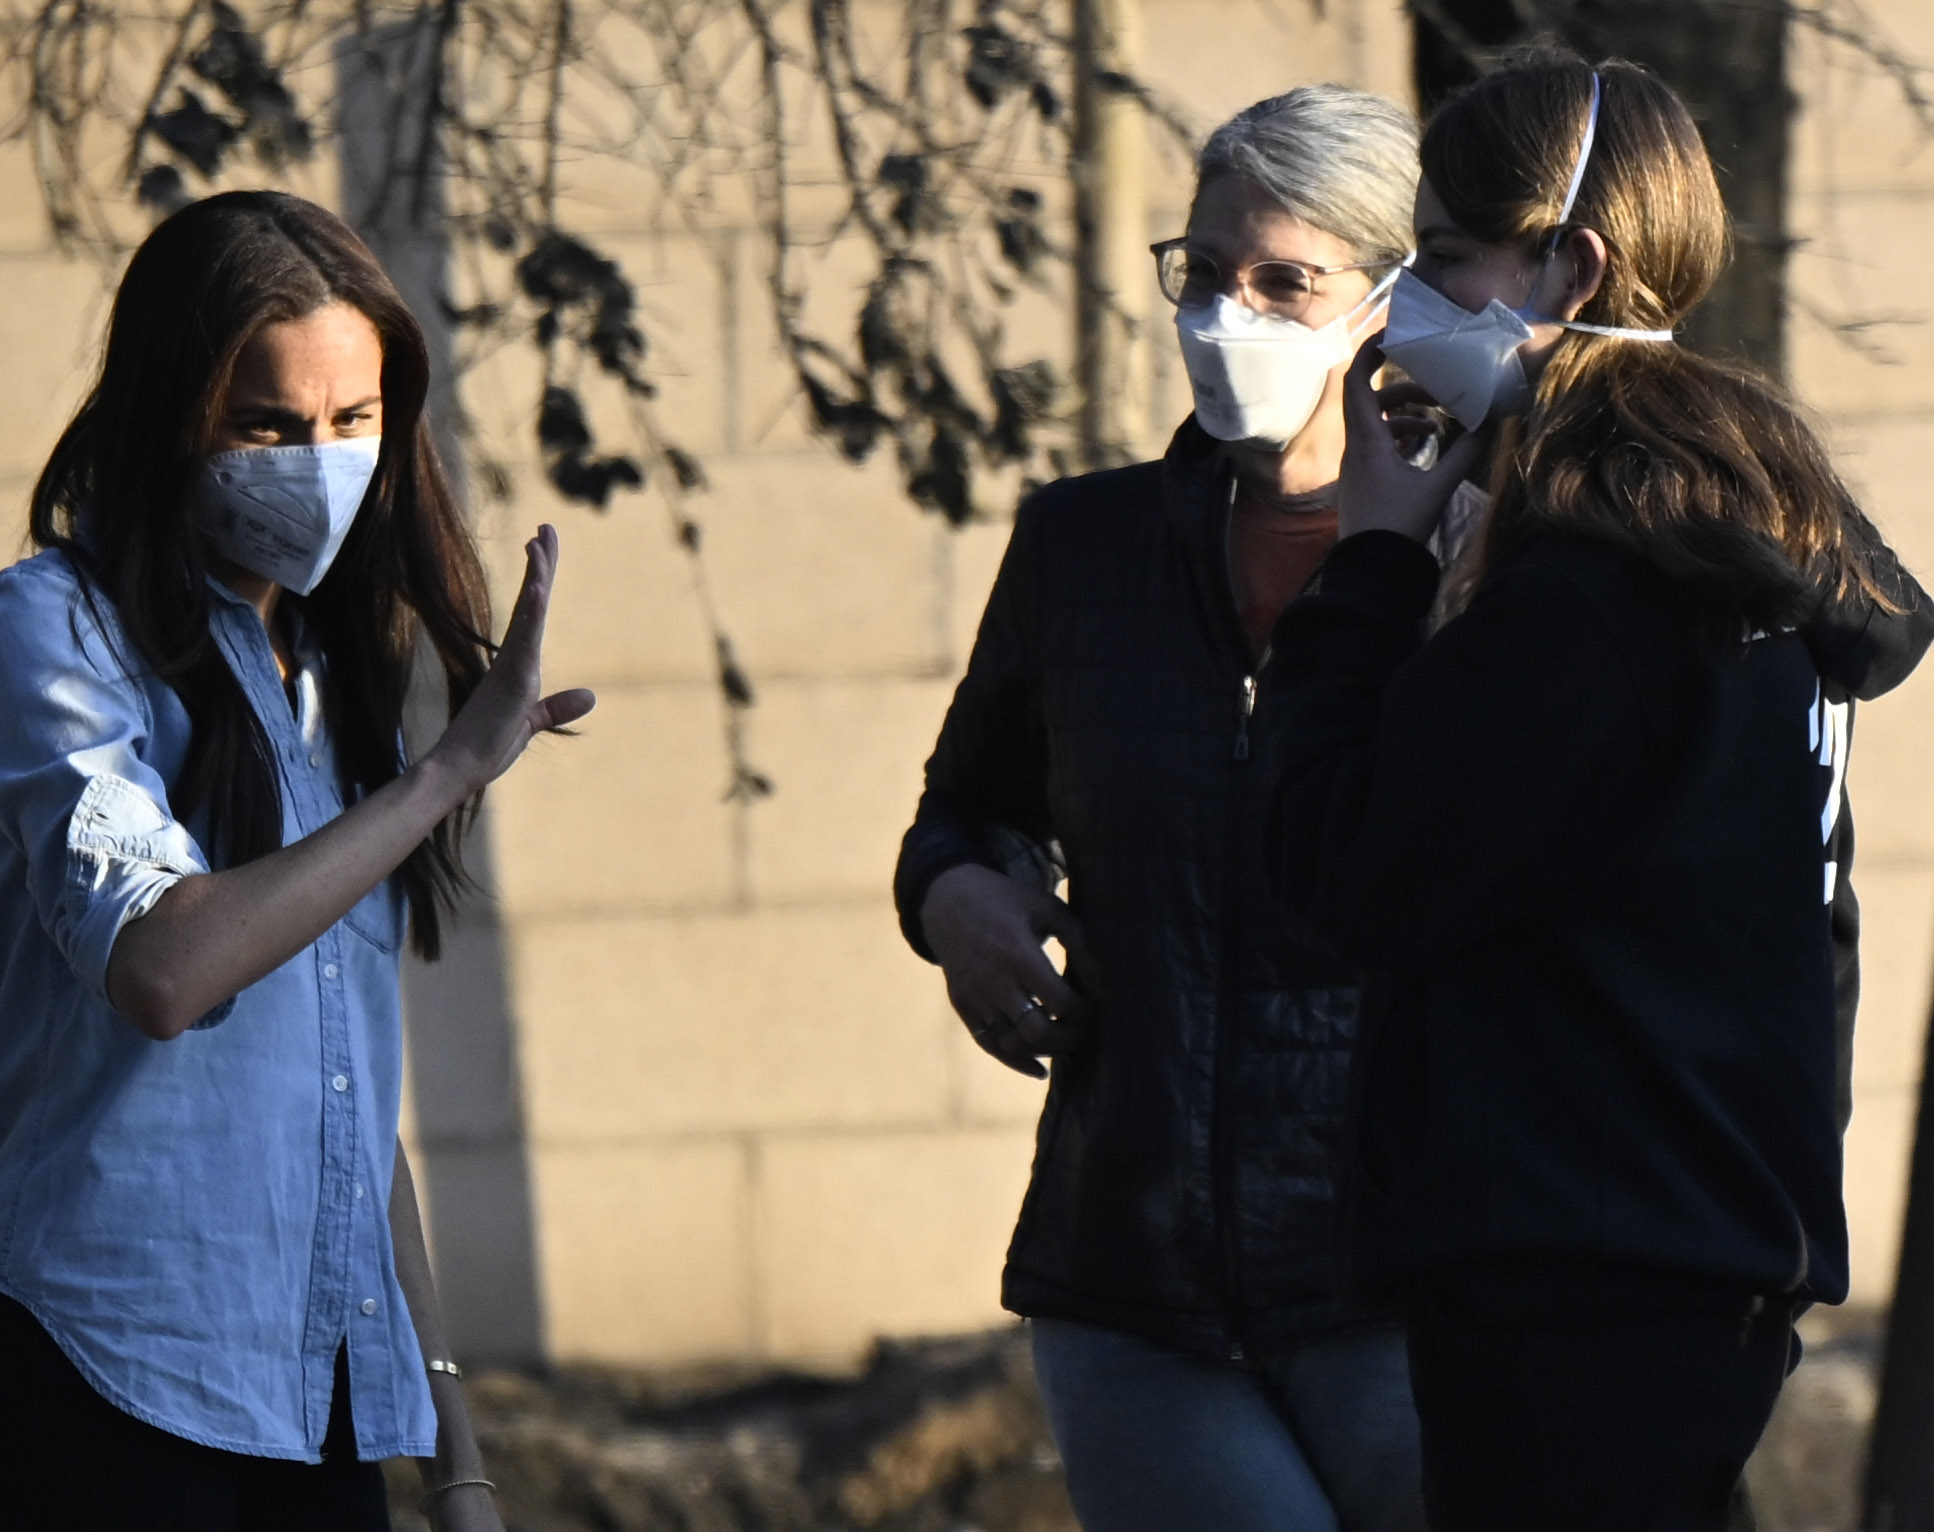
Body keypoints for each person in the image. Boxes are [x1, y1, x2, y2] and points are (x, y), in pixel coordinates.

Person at [1262, 51, 1933, 1532]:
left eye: (1439, 260)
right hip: (1692, 1251)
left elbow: (1347, 880)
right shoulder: (1734, 543)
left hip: (1571, 1264)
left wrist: (1369, 565)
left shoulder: (1592, 588)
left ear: (1569, 265)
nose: (1400, 310)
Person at [0, 190, 594, 1531]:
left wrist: (455, 1452)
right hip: (105, 1385)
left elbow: (345, 1097)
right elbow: (161, 967)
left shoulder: (333, 675)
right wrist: (446, 775)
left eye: (351, 422)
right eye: (266, 425)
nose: (315, 463)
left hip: (321, 1412)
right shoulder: (56, 634)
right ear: (172, 417)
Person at [894, 86, 1426, 1532]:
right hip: (1130, 1272)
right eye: (1203, 272)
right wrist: (958, 899)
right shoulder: (1087, 546)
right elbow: (969, 804)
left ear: (1387, 300)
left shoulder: (1481, 559)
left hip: (1407, 1286)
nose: (1225, 312)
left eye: (1282, 281)